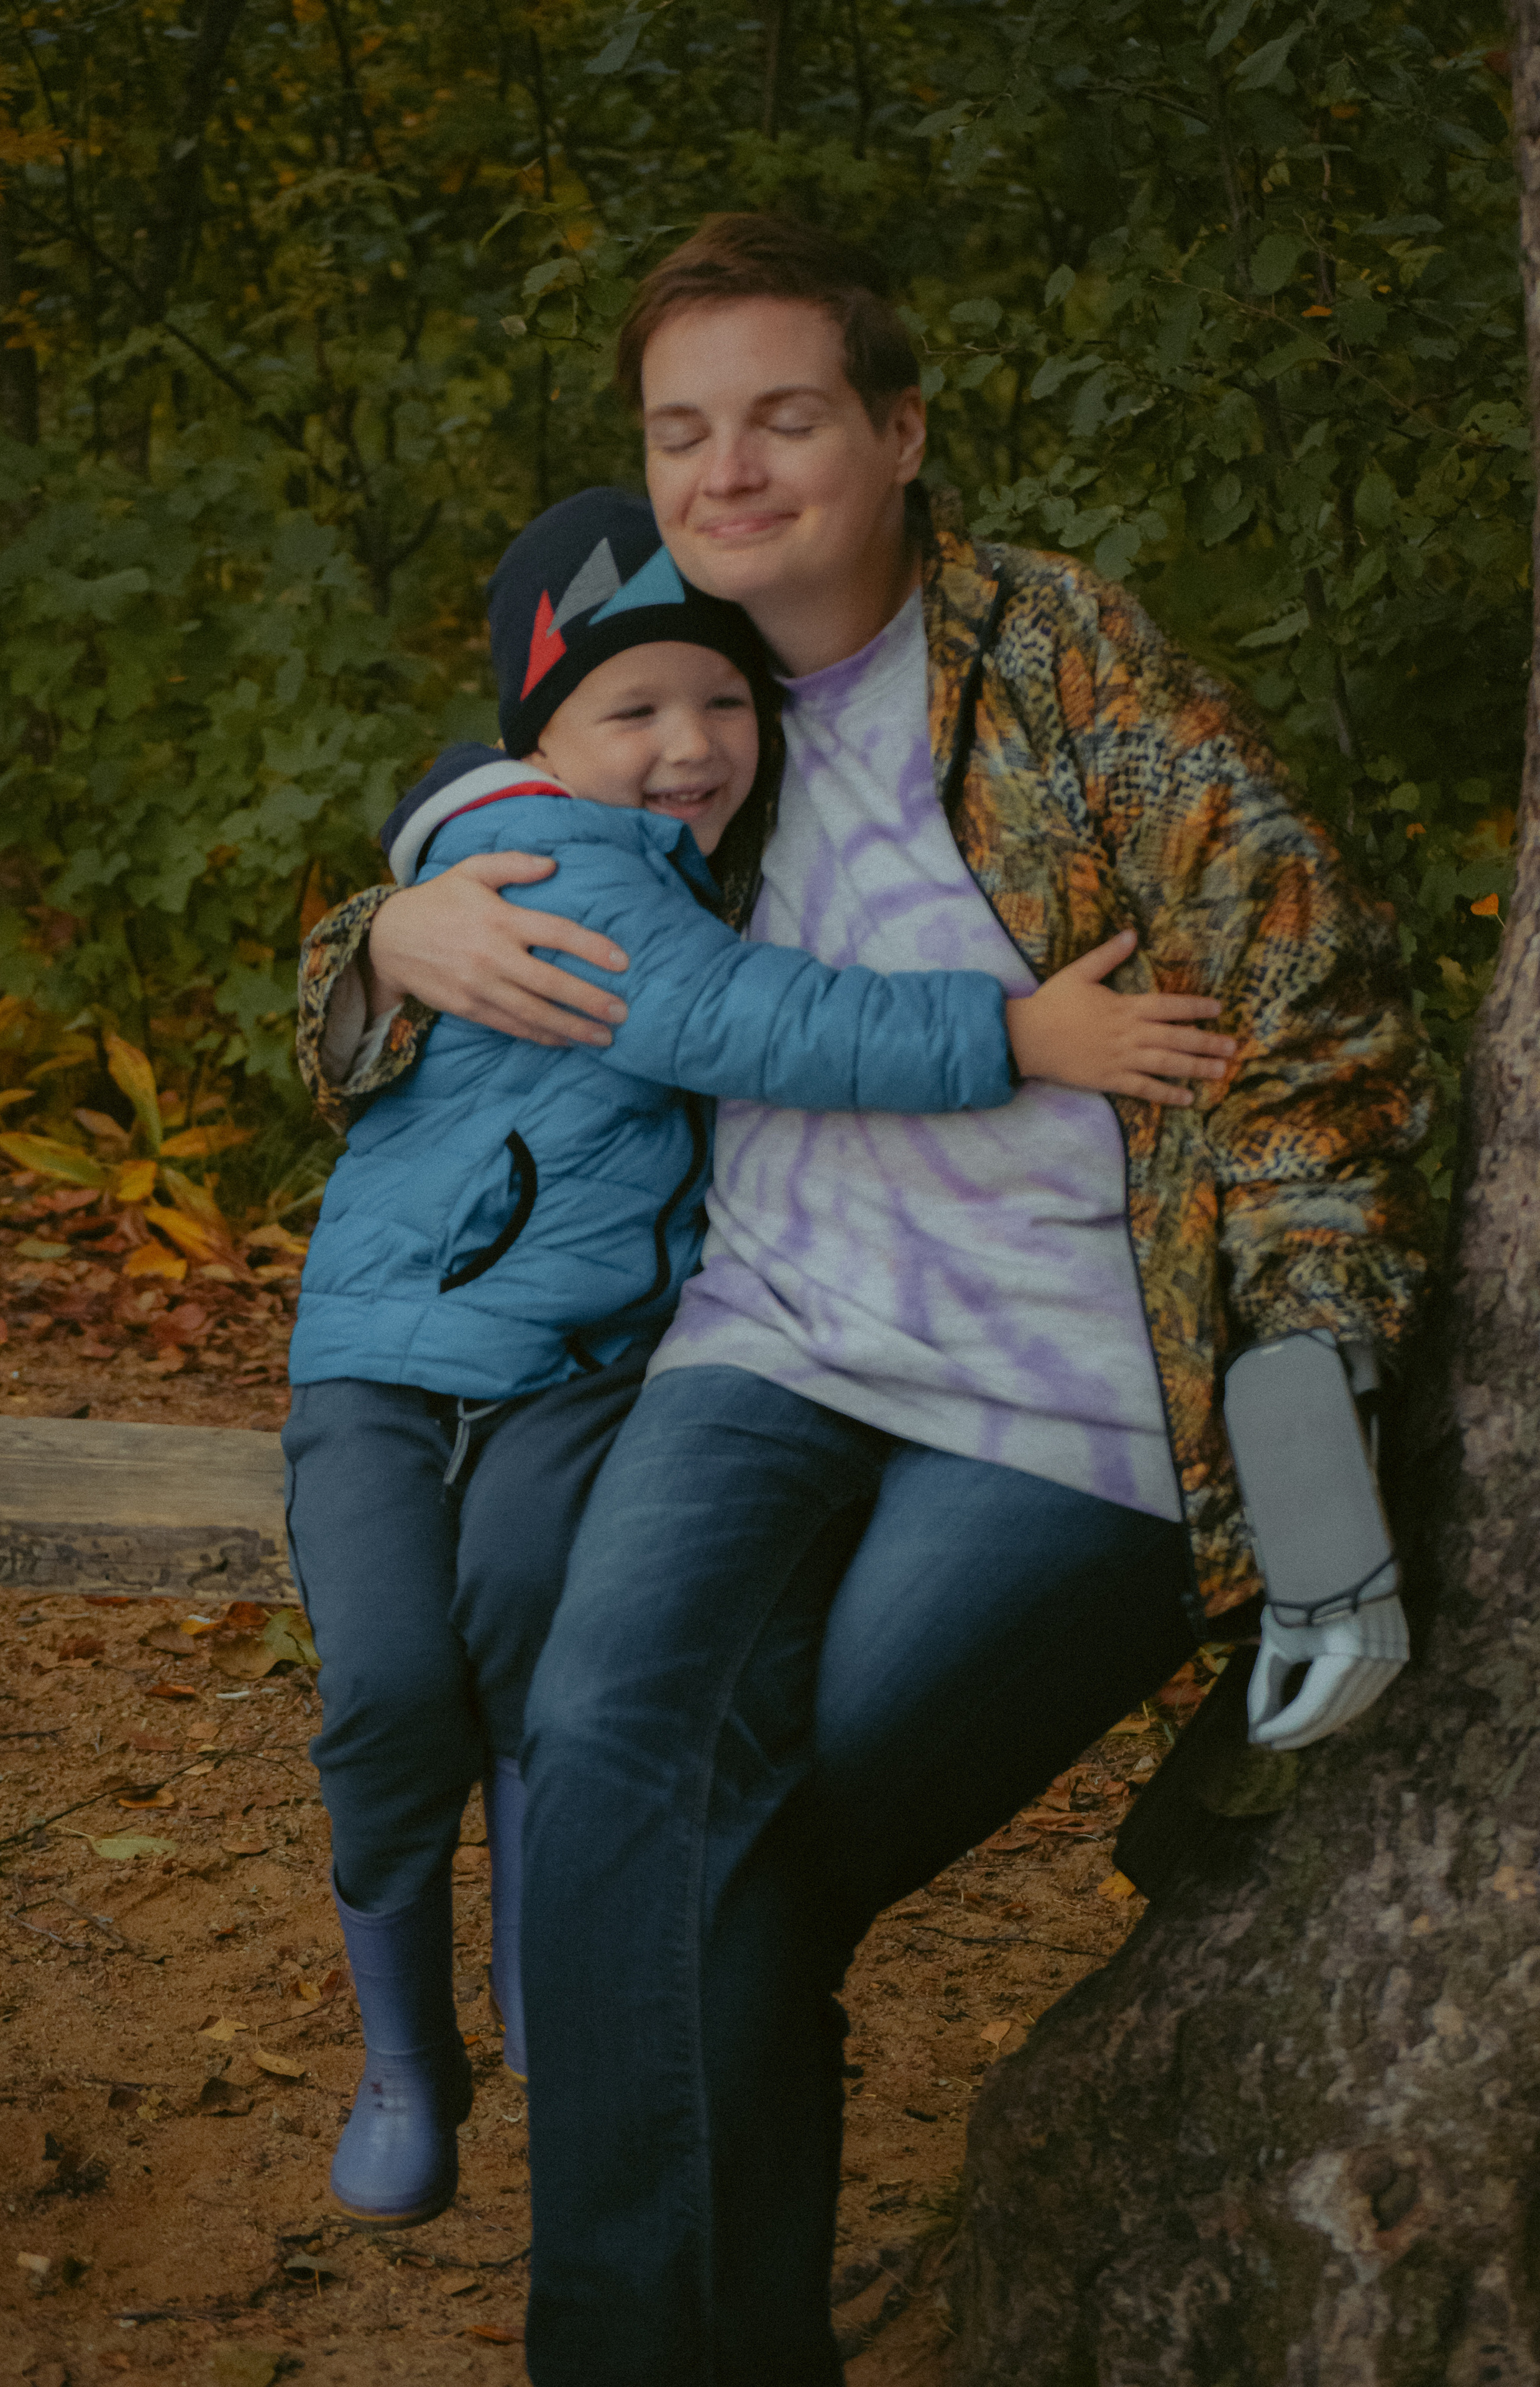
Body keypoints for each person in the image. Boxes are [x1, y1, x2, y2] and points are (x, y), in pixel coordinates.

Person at [296, 219, 1433, 2381]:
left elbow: (1320, 1018)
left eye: (786, 414)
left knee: (745, 1864)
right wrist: (378, 942)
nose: (728, 470)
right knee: (620, 1751)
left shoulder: (1064, 664)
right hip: (760, 1347)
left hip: (1077, 1386)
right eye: (681, 429)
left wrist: (1307, 1443)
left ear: (901, 435)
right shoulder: (671, 712)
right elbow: (455, 915)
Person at [285, 482, 1232, 2236]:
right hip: (408, 1362)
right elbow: (737, 1020)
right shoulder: (558, 853)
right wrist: (1024, 1032)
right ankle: (422, 2049)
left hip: (598, 1372)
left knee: (531, 1653)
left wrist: (385, 911)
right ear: (546, 730)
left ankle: (557, 2008)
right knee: (408, 1687)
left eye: (723, 701)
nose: (691, 743)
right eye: (634, 711)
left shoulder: (749, 826)